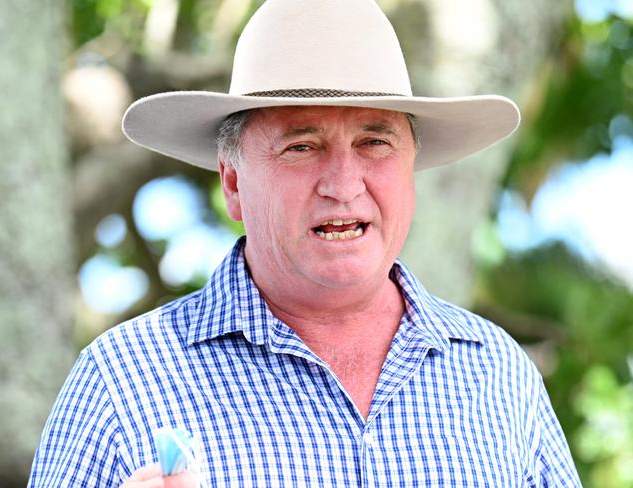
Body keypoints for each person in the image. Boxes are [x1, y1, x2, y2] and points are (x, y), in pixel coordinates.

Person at [29, 0, 581, 486]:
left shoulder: (498, 374)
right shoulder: (121, 382)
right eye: (301, 146)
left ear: (413, 167)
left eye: (374, 142)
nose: (343, 185)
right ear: (233, 183)